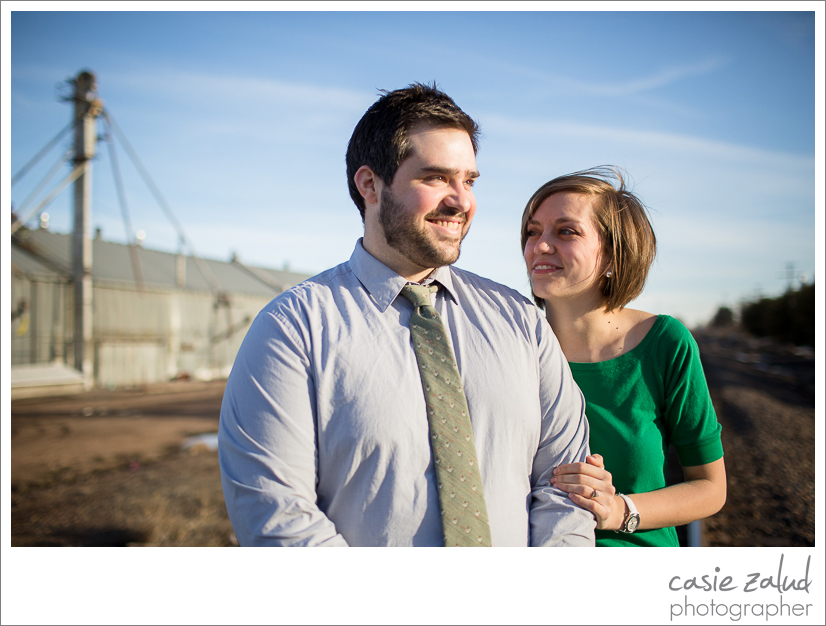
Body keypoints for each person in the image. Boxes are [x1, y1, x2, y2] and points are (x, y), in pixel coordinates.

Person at [218, 83, 595, 547]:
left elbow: (567, 487)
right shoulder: (292, 330)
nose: (461, 201)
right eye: (435, 177)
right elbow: (277, 515)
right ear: (370, 184)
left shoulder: (523, 324)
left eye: (469, 180)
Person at [520, 166, 726, 547]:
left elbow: (710, 487)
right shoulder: (507, 342)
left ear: (615, 254)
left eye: (566, 231)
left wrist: (620, 510)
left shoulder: (666, 342)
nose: (540, 246)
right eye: (533, 231)